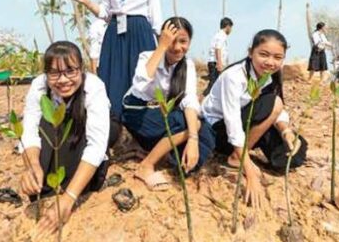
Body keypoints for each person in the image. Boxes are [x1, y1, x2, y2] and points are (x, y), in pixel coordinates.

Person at [20, 41, 120, 234]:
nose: (63, 80)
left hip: (90, 124)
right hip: (60, 123)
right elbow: (29, 131)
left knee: (76, 182)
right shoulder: (39, 86)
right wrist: (32, 165)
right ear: (46, 74)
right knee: (45, 184)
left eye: (71, 71)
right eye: (55, 73)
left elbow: (96, 145)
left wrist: (68, 199)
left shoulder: (94, 86)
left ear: (81, 70)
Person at [201, 30, 307, 209]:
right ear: (251, 52)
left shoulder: (269, 77)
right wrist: (249, 171)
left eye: (277, 57)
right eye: (264, 55)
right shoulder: (233, 77)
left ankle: (247, 152)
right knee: (274, 102)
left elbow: (275, 113)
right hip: (221, 132)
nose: (270, 62)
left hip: (250, 125)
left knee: (292, 154)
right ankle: (236, 158)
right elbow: (233, 121)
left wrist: (286, 131)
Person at [122, 17, 215, 191]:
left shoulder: (187, 65)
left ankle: (175, 161)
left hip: (162, 114)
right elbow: (140, 84)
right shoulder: (148, 56)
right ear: (162, 39)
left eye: (183, 41)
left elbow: (189, 99)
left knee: (204, 131)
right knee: (183, 123)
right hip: (138, 112)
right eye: (172, 41)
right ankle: (146, 165)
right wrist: (161, 47)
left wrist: (193, 139)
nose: (178, 47)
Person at [77, 0, 162, 119]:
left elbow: (155, 15)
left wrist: (160, 47)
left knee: (141, 81)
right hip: (115, 32)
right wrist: (86, 1)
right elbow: (105, 13)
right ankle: (114, 126)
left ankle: (139, 129)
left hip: (140, 31)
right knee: (113, 80)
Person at [203, 17, 233, 96]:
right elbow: (218, 49)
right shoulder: (221, 35)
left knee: (215, 84)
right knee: (213, 84)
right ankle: (202, 99)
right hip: (215, 62)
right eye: (231, 28)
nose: (231, 30)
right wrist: (219, 63)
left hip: (214, 62)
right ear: (228, 26)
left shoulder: (219, 35)